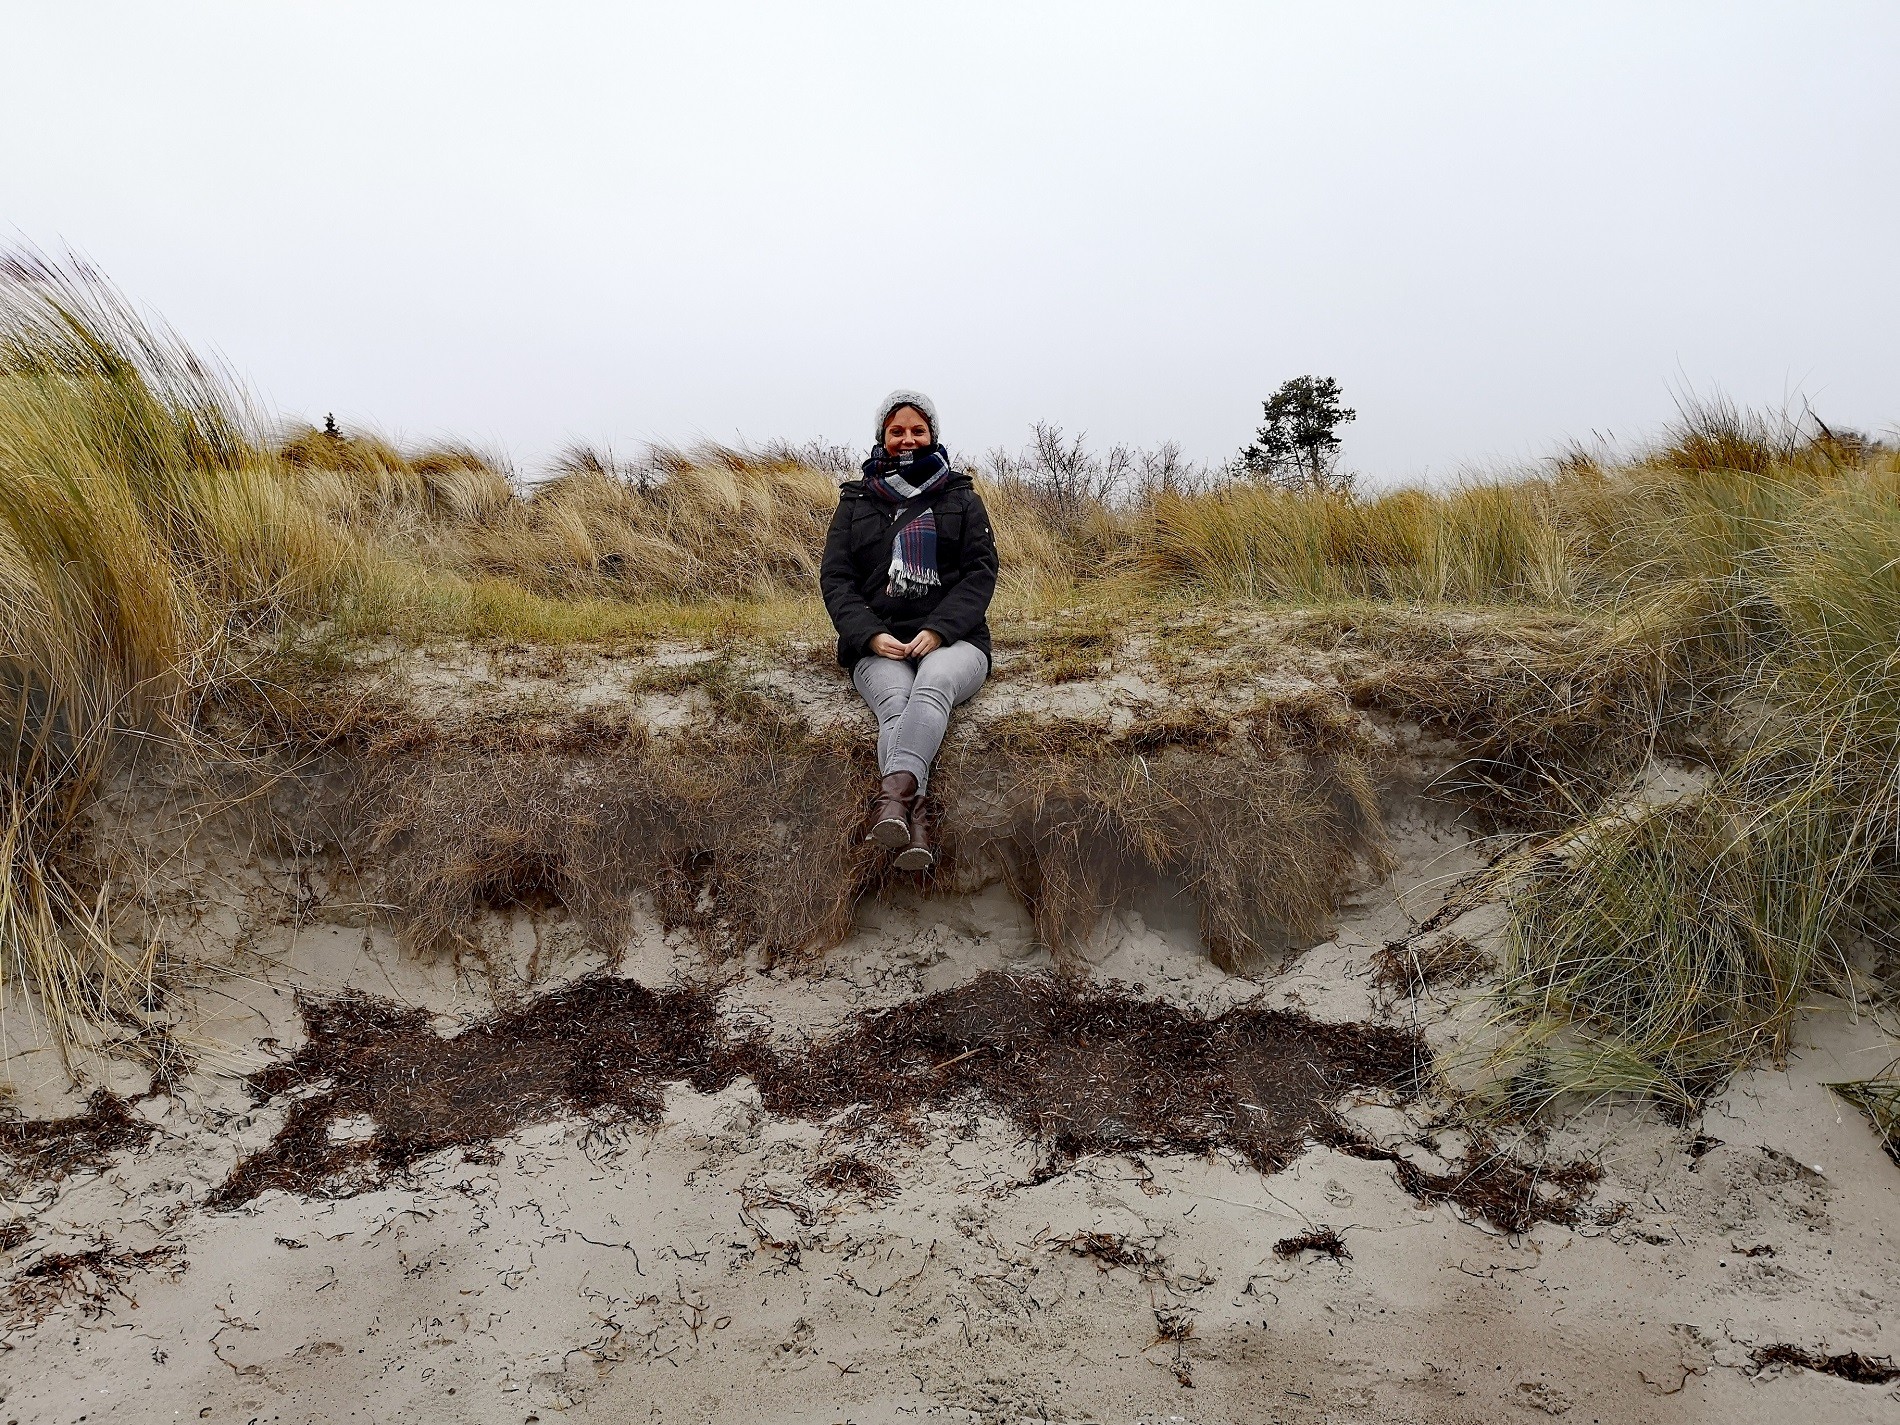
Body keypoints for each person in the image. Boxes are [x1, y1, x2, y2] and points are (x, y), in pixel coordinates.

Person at [820, 390, 998, 872]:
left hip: (956, 642)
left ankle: (893, 802)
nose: (907, 439)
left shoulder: (961, 497)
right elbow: (837, 580)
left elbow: (981, 573)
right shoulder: (855, 501)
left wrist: (940, 630)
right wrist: (870, 635)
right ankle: (918, 819)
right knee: (896, 704)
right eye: (897, 430)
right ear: (882, 436)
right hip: (879, 645)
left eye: (917, 430)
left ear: (933, 435)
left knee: (933, 683)